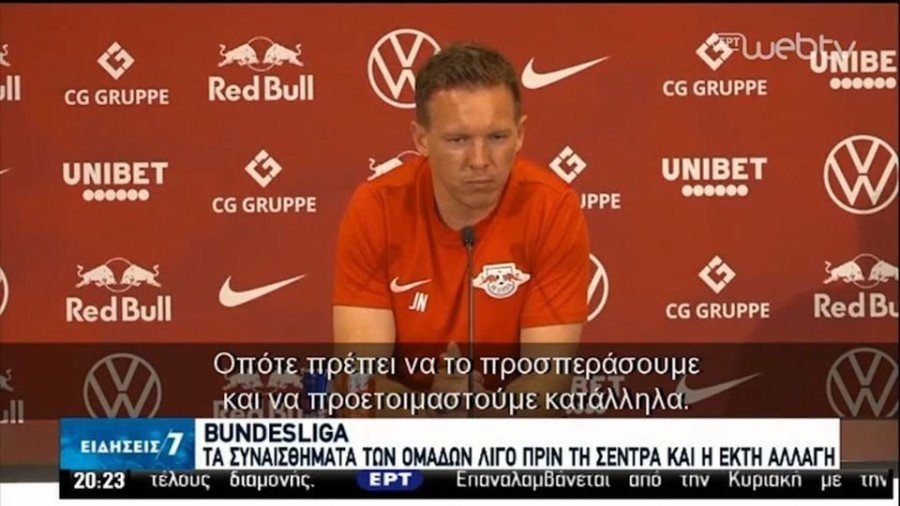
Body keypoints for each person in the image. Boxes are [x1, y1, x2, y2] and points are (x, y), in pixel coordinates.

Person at [332, 42, 590, 416]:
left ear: (520, 134)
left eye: (497, 137)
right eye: (458, 140)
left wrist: (480, 417)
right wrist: (430, 417)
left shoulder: (552, 207)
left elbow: (549, 379)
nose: (480, 160)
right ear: (421, 140)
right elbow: (357, 380)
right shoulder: (377, 206)